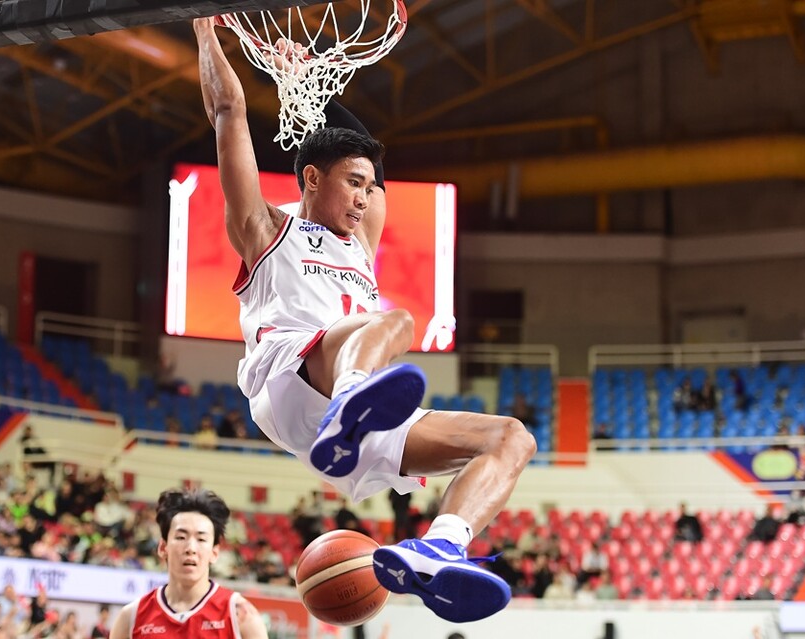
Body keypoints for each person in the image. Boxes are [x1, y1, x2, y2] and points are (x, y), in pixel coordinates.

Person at [193, 19, 536, 624]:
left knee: (511, 437)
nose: (363, 197)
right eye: (352, 183)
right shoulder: (266, 230)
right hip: (293, 381)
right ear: (310, 178)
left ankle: (441, 546)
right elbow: (228, 112)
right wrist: (203, 27)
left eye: (369, 188)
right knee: (394, 322)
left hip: (357, 413)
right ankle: (353, 398)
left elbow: (367, 149)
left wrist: (311, 85)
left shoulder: (361, 243)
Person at [109, 488, 267, 639]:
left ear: (214, 552)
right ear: (163, 547)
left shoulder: (240, 614)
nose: (190, 548)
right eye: (181, 537)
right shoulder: (131, 617)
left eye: (201, 539)